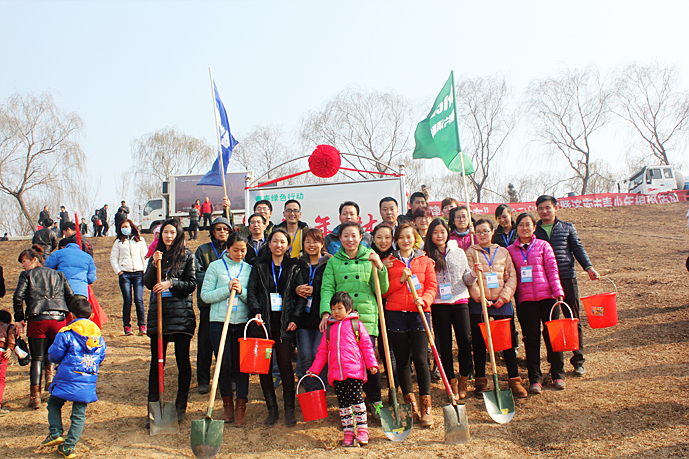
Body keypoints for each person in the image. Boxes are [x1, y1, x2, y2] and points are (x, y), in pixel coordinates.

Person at [320, 221, 388, 419]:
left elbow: (382, 289)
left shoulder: (370, 257)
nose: (350, 240)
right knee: (348, 362)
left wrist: (380, 267)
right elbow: (327, 289)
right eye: (345, 236)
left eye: (354, 235)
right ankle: (351, 403)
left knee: (369, 359)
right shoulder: (333, 262)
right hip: (342, 321)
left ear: (361, 237)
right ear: (340, 238)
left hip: (366, 317)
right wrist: (326, 313)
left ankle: (375, 401)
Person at [246, 228, 305, 427]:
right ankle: (272, 409)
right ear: (269, 244)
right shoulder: (259, 265)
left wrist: (295, 317)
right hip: (263, 324)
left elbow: (300, 297)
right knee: (264, 368)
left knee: (285, 365)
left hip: (285, 324)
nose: (278, 245)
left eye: (282, 242)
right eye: (275, 241)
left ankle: (289, 409)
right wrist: (256, 311)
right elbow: (252, 291)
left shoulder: (294, 266)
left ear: (288, 246)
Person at [535, 195, 599, 376]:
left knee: (573, 319)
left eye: (548, 207)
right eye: (541, 208)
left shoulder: (567, 227)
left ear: (556, 208)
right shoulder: (534, 230)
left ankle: (578, 360)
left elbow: (577, 248)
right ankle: (556, 364)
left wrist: (589, 268)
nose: (544, 211)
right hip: (545, 282)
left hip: (566, 278)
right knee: (551, 324)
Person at [383, 222, 437, 427]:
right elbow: (383, 290)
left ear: (415, 238)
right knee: (402, 360)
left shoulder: (425, 261)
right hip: (395, 315)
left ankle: (426, 405)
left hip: (418, 314)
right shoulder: (388, 262)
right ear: (395, 240)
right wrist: (400, 280)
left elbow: (431, 285)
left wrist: (425, 300)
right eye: (401, 237)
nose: (405, 241)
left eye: (409, 237)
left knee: (422, 360)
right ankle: (410, 403)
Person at [466, 219, 527, 398]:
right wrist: (479, 297)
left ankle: (514, 379)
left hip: (501, 303)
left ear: (492, 232)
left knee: (506, 342)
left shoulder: (502, 252)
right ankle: (480, 380)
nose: (482, 234)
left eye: (485, 231)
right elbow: (469, 279)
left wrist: (504, 297)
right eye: (479, 232)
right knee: (479, 343)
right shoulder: (471, 252)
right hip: (480, 304)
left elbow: (512, 277)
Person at [308, 292, 378, 447]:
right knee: (344, 404)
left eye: (339, 308)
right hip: (336, 374)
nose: (336, 312)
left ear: (349, 309)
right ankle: (348, 432)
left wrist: (372, 364)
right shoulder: (329, 329)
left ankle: (362, 430)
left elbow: (367, 346)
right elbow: (322, 352)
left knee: (357, 400)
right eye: (333, 309)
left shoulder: (356, 325)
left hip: (354, 371)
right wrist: (314, 369)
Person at [143, 218, 196, 424]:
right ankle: (154, 409)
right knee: (157, 362)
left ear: (179, 234)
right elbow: (148, 283)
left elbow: (191, 284)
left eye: (172, 232)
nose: (169, 236)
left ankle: (180, 406)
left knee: (183, 360)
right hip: (159, 315)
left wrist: (171, 284)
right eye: (165, 232)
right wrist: (152, 263)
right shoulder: (156, 256)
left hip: (181, 315)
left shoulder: (188, 255)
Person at [507, 213, 565, 394]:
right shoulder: (510, 250)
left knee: (552, 336)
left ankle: (558, 374)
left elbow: (552, 269)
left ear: (534, 227)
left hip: (547, 298)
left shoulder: (543, 245)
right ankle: (535, 378)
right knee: (531, 339)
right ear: (516, 228)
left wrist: (558, 291)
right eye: (521, 225)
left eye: (528, 225)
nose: (524, 228)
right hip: (526, 301)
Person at [41, 298, 106, 459]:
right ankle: (69, 446)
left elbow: (54, 355)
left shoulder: (66, 333)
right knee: (79, 413)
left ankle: (56, 432)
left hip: (66, 377)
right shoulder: (98, 336)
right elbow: (101, 357)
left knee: (54, 403)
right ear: (92, 315)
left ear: (71, 315)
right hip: (87, 379)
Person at [200, 232, 252, 425]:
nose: (239, 254)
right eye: (235, 250)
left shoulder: (249, 269)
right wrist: (226, 289)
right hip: (219, 322)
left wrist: (241, 291)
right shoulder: (215, 267)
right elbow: (205, 296)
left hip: (241, 323)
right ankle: (227, 404)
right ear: (227, 249)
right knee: (224, 363)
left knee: (241, 366)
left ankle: (241, 406)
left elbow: (253, 297)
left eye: (243, 250)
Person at [13, 245, 74, 409]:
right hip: (58, 319)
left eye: (24, 261)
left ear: (35, 259)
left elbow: (18, 297)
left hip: (37, 318)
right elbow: (70, 296)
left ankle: (35, 397)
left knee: (37, 358)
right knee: (55, 354)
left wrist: (19, 318)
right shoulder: (58, 274)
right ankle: (51, 378)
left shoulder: (27, 275)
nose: (23, 265)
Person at [425, 218, 477, 400]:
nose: (439, 236)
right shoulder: (427, 255)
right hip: (439, 303)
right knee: (444, 344)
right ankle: (451, 381)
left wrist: (474, 273)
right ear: (430, 235)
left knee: (465, 340)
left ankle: (464, 378)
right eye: (435, 232)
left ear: (448, 233)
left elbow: (466, 278)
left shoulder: (458, 252)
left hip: (460, 300)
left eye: (442, 232)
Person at [194, 217, 233, 395]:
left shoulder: (233, 250)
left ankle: (229, 377)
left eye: (225, 229)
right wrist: (220, 284)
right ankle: (203, 380)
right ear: (212, 232)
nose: (222, 232)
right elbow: (198, 274)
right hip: (208, 304)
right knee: (205, 343)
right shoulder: (203, 250)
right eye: (218, 229)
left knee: (227, 343)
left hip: (229, 304)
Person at [295, 229, 332, 392]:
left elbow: (331, 286)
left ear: (322, 243)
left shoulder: (330, 262)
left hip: (321, 316)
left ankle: (320, 389)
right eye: (307, 241)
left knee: (319, 354)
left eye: (315, 241)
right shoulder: (298, 263)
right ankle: (310, 391)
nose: (311, 245)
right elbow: (290, 284)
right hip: (302, 317)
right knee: (305, 354)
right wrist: (296, 289)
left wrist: (315, 289)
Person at [110, 219, 148, 336]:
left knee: (139, 300)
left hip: (138, 273)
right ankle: (127, 327)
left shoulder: (140, 240)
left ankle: (142, 326)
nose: (125, 229)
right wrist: (119, 271)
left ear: (131, 227)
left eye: (126, 226)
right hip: (125, 274)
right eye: (122, 227)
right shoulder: (118, 242)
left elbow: (145, 256)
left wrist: (144, 271)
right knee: (127, 300)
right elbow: (113, 258)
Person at [0, 309, 17, 416]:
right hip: (1, 353)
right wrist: (10, 348)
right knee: (0, 380)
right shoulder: (9, 327)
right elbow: (11, 338)